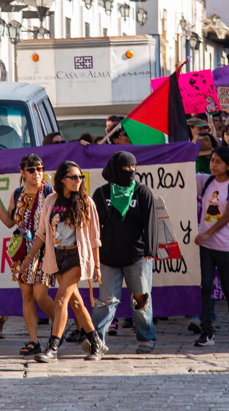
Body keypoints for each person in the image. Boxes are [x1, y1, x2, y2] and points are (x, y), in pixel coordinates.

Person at [23, 161, 102, 363]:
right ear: (62, 180)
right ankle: (96, 342)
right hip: (58, 257)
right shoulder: (51, 201)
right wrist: (30, 256)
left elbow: (95, 238)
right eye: (73, 177)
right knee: (76, 303)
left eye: (80, 177)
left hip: (77, 257)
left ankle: (53, 347)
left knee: (60, 300)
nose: (78, 181)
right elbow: (41, 233)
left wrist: (97, 266)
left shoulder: (86, 202)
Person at [86, 151, 159, 356]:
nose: (130, 172)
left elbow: (151, 222)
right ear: (114, 170)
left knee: (140, 301)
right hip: (108, 257)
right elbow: (93, 226)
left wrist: (150, 250)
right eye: (125, 168)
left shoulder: (142, 192)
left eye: (133, 168)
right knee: (105, 303)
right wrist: (94, 255)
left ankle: (146, 337)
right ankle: (97, 341)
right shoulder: (101, 194)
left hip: (137, 257)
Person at [0, 154, 56, 356]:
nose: (37, 173)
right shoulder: (17, 194)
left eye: (40, 168)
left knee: (40, 295)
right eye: (32, 170)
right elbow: (10, 222)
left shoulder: (49, 192)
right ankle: (34, 340)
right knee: (27, 296)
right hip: (22, 250)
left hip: (43, 249)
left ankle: (58, 326)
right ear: (22, 172)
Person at [194, 146, 229, 346]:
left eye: (218, 161)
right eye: (212, 160)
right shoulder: (206, 180)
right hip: (206, 247)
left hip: (226, 246)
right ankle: (206, 331)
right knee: (205, 288)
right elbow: (181, 174)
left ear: (228, 165)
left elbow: (228, 215)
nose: (213, 165)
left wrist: (207, 232)